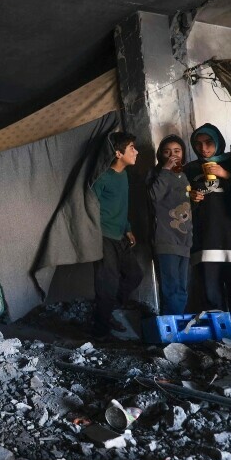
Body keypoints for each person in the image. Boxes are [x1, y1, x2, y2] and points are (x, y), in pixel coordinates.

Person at [184, 124, 231, 323]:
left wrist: (225, 175)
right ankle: (218, 325)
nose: (204, 148)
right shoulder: (191, 169)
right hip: (205, 234)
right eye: (198, 144)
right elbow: (179, 203)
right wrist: (191, 197)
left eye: (209, 142)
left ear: (218, 141)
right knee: (209, 282)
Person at [91, 132, 143, 335]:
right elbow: (89, 206)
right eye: (131, 148)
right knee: (108, 283)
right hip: (103, 236)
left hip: (120, 235)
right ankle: (100, 333)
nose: (136, 151)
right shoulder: (103, 177)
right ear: (118, 153)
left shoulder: (124, 175)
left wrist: (128, 228)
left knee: (135, 275)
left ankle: (105, 313)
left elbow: (120, 206)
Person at [147, 135, 192, 315]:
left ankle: (178, 327)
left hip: (184, 239)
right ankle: (171, 332)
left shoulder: (184, 175)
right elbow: (153, 197)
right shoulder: (156, 174)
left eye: (177, 151)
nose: (172, 155)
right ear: (160, 155)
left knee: (182, 287)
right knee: (171, 287)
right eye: (166, 152)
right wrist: (165, 170)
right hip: (165, 238)